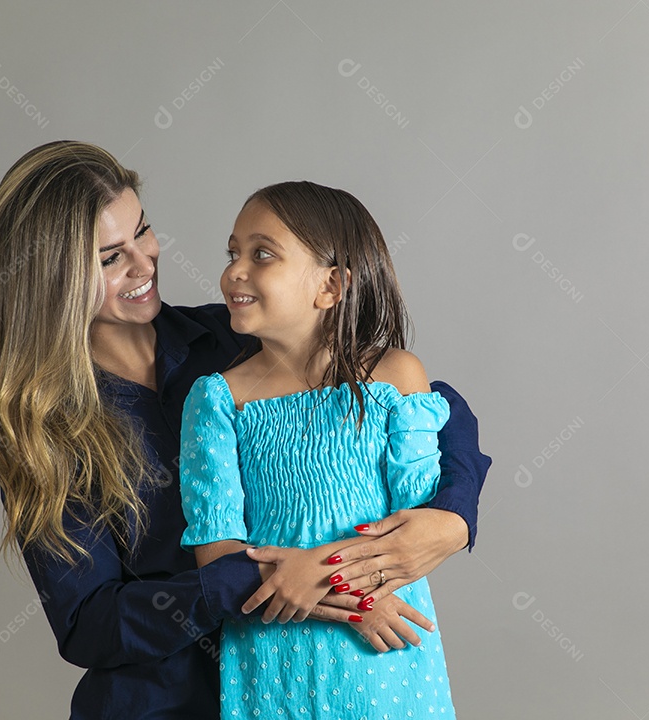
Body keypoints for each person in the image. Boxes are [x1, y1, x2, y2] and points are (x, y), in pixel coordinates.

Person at [0, 140, 491, 719]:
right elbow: (88, 624)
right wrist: (272, 579)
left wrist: (452, 516)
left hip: (318, 685)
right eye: (111, 258)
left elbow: (422, 402)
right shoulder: (45, 430)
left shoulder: (238, 336)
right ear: (52, 279)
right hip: (163, 705)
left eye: (143, 230)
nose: (144, 264)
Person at [180, 181, 459, 717]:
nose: (235, 270)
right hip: (275, 659)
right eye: (233, 252)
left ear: (331, 286)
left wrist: (324, 575)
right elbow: (217, 555)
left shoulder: (397, 379)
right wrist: (354, 601)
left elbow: (414, 525)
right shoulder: (218, 401)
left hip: (386, 654)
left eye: (262, 254)